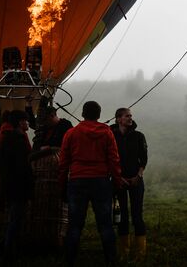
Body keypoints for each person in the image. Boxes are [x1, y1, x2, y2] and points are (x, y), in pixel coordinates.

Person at [58, 101, 123, 266]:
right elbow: (114, 159)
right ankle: (111, 260)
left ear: (82, 114)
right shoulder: (107, 133)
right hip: (101, 181)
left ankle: (69, 260)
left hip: (77, 181)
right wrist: (117, 182)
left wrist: (61, 186)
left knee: (75, 226)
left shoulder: (71, 133)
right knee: (105, 225)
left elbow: (63, 162)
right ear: (99, 115)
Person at [111, 108, 148, 262]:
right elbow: (109, 158)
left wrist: (138, 176)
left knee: (137, 214)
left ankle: (140, 252)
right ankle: (123, 252)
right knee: (121, 216)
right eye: (127, 116)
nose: (130, 118)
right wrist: (118, 177)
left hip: (136, 180)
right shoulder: (111, 135)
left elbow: (143, 159)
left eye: (131, 116)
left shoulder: (139, 136)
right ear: (118, 119)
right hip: (118, 181)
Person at [0, 110, 34, 259]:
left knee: (15, 217)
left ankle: (11, 249)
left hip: (9, 183)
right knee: (16, 219)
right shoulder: (18, 140)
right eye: (26, 120)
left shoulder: (6, 138)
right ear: (20, 122)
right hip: (18, 185)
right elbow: (21, 166)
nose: (28, 123)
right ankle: (9, 251)